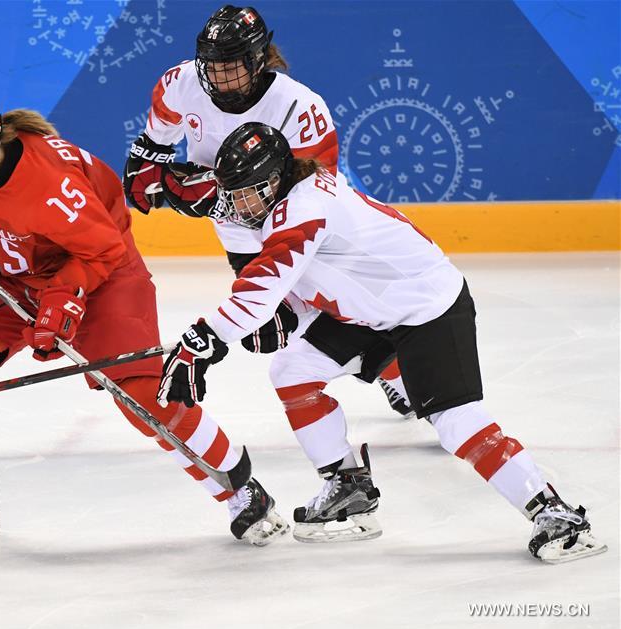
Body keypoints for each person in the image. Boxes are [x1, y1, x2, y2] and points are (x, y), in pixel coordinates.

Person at [157, 121, 607, 563]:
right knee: (293, 370)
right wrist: (289, 319)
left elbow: (261, 285)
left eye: (244, 192)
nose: (236, 205)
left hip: (428, 309)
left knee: (455, 421)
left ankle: (554, 513)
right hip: (375, 312)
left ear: (274, 180)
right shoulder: (289, 204)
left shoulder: (304, 207)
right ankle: (348, 488)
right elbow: (316, 281)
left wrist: (202, 342)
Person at [0, 86, 289, 547]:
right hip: (25, 275)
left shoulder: (49, 184)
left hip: (105, 274)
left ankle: (239, 487)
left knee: (145, 397)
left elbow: (105, 248)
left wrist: (63, 298)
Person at [123, 4, 414, 421]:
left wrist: (215, 196)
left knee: (331, 307)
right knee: (277, 322)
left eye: (231, 66)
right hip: (238, 235)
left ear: (259, 59)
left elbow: (318, 196)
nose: (219, 77)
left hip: (298, 233)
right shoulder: (180, 83)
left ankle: (396, 370)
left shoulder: (299, 108)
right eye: (211, 65)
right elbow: (156, 138)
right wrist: (147, 165)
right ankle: (382, 364)